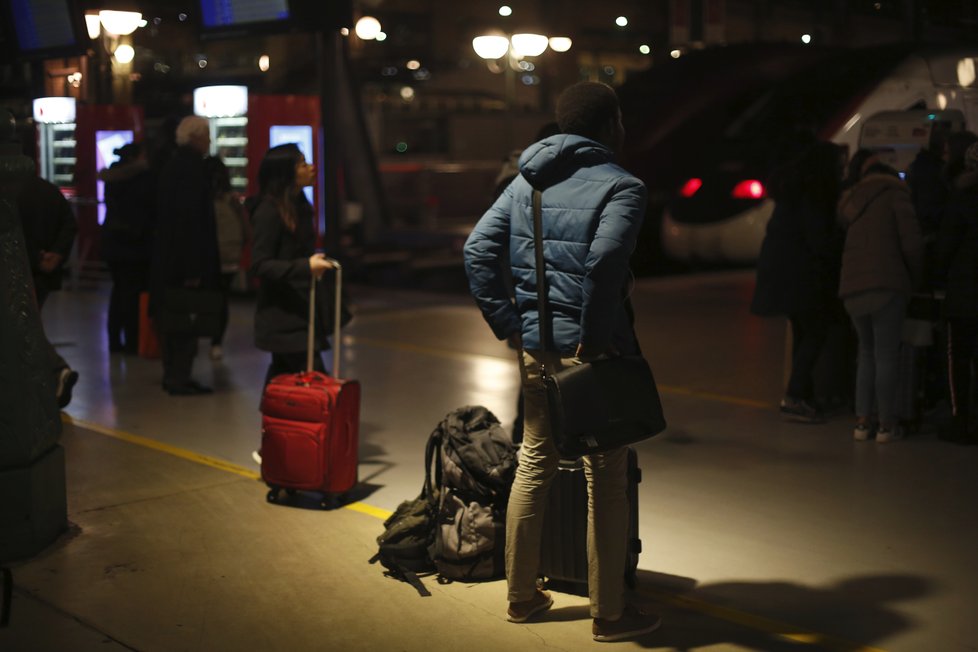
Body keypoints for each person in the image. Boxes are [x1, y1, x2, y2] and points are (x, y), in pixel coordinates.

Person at [463, 81, 661, 642]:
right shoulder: (623, 186)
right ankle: (610, 613)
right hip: (592, 353)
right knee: (606, 475)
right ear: (611, 125)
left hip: (535, 350)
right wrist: (594, 342)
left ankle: (522, 598)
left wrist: (511, 325)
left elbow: (477, 250)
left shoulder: (526, 182)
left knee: (534, 462)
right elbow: (602, 265)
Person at [751, 140, 846, 422]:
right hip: (803, 275)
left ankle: (802, 395)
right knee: (816, 330)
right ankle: (795, 395)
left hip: (784, 273)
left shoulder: (791, 190)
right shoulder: (813, 193)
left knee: (804, 331)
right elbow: (819, 239)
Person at [837, 153, 924, 443]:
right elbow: (911, 243)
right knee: (887, 355)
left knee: (865, 354)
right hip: (886, 285)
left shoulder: (852, 203)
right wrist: (916, 277)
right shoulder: (896, 196)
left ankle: (862, 422)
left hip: (852, 288)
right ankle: (886, 425)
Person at [249, 143, 334, 387]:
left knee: (284, 375)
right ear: (286, 172)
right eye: (303, 164)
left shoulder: (299, 205)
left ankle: (278, 422)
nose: (311, 168)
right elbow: (260, 264)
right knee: (309, 374)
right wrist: (305, 267)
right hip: (283, 312)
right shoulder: (269, 211)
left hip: (300, 308)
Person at [153, 115, 221, 395]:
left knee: (173, 320)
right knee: (186, 320)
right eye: (206, 136)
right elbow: (190, 222)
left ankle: (174, 374)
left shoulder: (172, 165)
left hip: (168, 260)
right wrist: (193, 269)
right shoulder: (192, 170)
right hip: (185, 262)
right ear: (195, 138)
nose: (209, 141)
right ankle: (179, 377)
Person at [16, 160, 79, 408]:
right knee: (28, 325)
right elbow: (69, 224)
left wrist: (36, 258)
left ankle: (55, 371)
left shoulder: (9, 194)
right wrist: (56, 254)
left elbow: (15, 236)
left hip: (24, 271)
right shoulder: (48, 190)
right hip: (45, 273)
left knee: (22, 329)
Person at [933, 140, 978, 445]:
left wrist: (936, 277)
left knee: (957, 359)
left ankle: (960, 419)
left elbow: (945, 248)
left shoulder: (962, 197)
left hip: (965, 292)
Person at [99, 142, 155, 354]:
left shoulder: (112, 178)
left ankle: (114, 340)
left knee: (118, 290)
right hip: (135, 244)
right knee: (132, 293)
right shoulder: (144, 178)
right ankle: (132, 341)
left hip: (112, 242)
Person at [204, 155, 250, 361]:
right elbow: (245, 229)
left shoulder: (201, 198)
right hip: (230, 256)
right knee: (222, 300)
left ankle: (204, 335)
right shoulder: (231, 199)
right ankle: (216, 342)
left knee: (208, 298)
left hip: (208, 255)